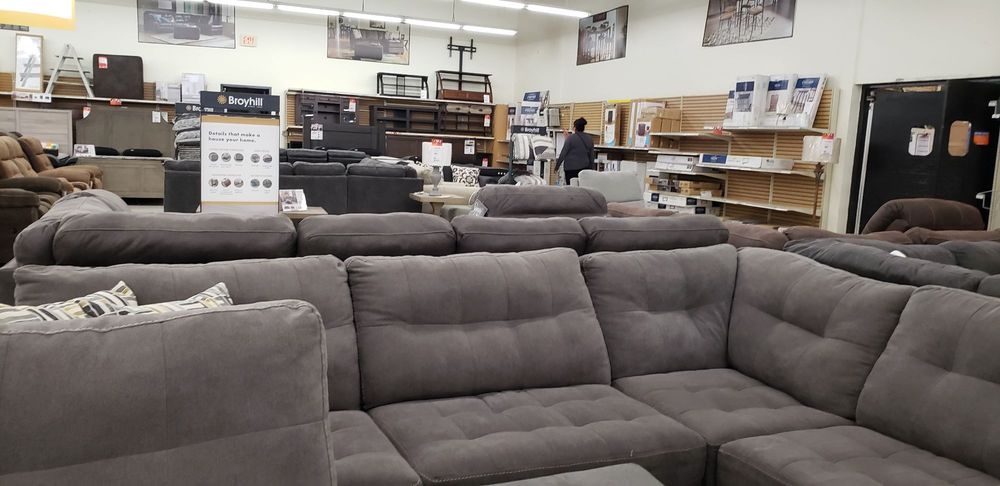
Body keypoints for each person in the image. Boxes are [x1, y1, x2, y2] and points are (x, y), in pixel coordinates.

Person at [556, 117, 596, 184]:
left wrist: (557, 166)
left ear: (575, 128)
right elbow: (592, 156)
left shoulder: (570, 138)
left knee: (572, 187)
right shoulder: (589, 138)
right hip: (584, 169)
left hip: (570, 169)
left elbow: (563, 153)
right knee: (583, 187)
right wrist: (592, 169)